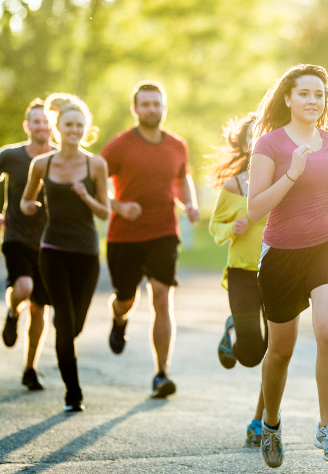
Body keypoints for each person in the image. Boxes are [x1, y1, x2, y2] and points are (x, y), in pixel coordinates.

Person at [247, 64, 328, 468]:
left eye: (320, 94)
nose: (313, 101)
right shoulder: (269, 145)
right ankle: (270, 423)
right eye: (305, 93)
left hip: (327, 244)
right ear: (288, 98)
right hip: (281, 254)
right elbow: (256, 208)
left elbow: (327, 194)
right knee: (280, 352)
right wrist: (291, 171)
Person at [101, 80, 199, 399]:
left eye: (157, 104)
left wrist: (191, 204)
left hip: (163, 233)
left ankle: (161, 373)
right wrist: (117, 205)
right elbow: (94, 186)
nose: (152, 109)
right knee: (127, 298)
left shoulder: (177, 146)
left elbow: (182, 181)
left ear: (163, 107)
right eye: (145, 104)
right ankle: (119, 316)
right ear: (135, 109)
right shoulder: (118, 146)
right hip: (124, 236)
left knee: (161, 295)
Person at [20, 93, 109, 412]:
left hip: (86, 253)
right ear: (58, 127)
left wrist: (86, 196)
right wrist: (28, 206)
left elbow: (104, 213)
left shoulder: (95, 164)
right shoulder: (41, 164)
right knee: (65, 324)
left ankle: (66, 334)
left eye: (80, 125)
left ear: (86, 129)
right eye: (69, 124)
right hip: (52, 250)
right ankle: (73, 393)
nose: (74, 129)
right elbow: (26, 202)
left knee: (74, 325)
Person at [207, 112, 268, 446]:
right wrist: (232, 228)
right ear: (245, 145)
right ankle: (233, 330)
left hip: (280, 271)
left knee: (277, 351)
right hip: (244, 273)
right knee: (250, 355)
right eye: (252, 136)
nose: (258, 141)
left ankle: (261, 420)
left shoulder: (288, 180)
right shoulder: (235, 185)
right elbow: (215, 225)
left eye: (266, 134)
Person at [0, 99, 54, 391]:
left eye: (45, 121)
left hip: (50, 242)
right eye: (36, 122)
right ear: (28, 126)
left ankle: (30, 368)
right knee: (24, 288)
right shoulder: (11, 156)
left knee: (40, 309)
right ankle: (14, 311)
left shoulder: (61, 157)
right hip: (16, 235)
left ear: (52, 125)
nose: (41, 126)